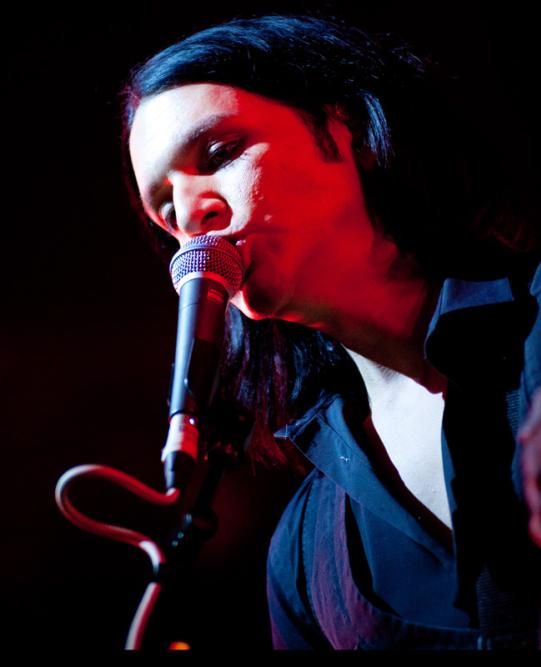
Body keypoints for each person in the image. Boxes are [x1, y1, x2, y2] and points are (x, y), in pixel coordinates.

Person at [122, 14, 541, 650]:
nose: (191, 214)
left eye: (219, 154)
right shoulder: (304, 554)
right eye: (166, 213)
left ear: (349, 131)